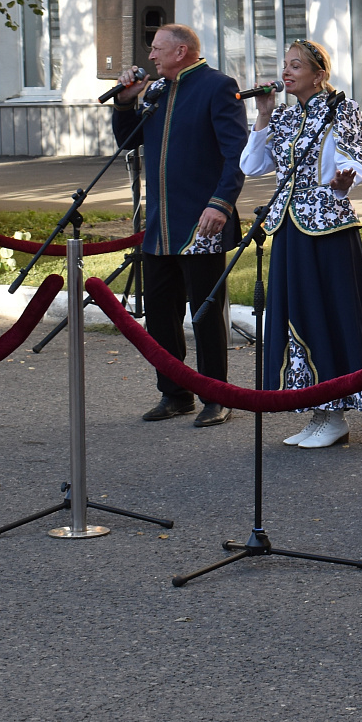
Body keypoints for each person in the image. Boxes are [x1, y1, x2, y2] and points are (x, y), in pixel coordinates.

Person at [239, 40, 362, 448]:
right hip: (290, 229)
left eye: (296, 65)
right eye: (285, 65)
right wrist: (262, 113)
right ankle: (317, 411)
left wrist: (344, 182)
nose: (287, 72)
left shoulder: (340, 108)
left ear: (319, 73)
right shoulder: (286, 117)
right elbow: (253, 166)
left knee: (327, 315)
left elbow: (349, 160)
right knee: (296, 316)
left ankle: (336, 412)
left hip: (326, 231)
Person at [112, 24, 249, 427]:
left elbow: (235, 153)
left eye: (157, 49)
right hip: (161, 225)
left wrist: (221, 205)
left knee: (205, 314)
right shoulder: (154, 91)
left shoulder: (218, 86)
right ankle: (174, 393)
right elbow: (128, 141)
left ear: (181, 51)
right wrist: (123, 103)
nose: (150, 56)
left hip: (202, 222)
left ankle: (215, 396)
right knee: (159, 313)